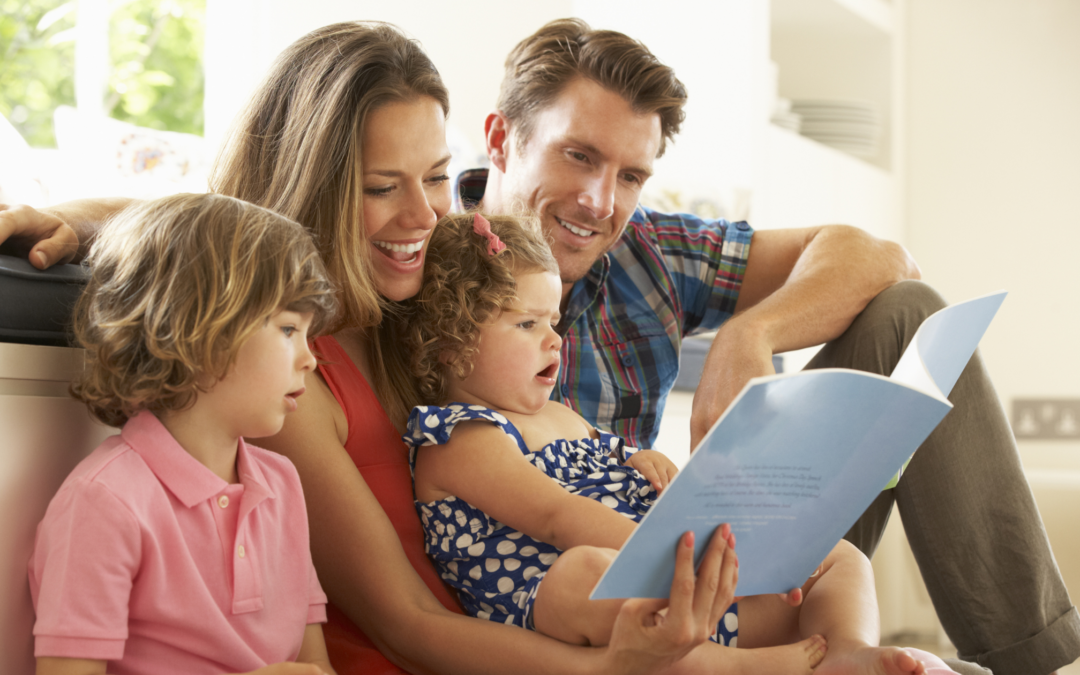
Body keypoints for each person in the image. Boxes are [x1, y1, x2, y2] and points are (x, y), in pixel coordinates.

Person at [1, 22, 737, 675]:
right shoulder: (281, 377)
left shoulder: (420, 308)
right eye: (384, 185)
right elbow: (409, 626)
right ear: (316, 187)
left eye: (439, 178)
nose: (423, 215)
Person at [449, 18, 1080, 675]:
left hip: (718, 569)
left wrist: (752, 332)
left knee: (908, 313)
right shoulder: (429, 273)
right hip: (571, 610)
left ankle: (1031, 663)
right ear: (500, 138)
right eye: (578, 155)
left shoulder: (648, 252)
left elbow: (883, 256)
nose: (600, 201)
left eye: (631, 175)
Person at [401, 210, 972, 675]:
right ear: (451, 344)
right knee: (582, 571)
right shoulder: (458, 436)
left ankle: (845, 649)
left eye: (553, 321)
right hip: (597, 609)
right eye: (526, 325)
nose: (553, 341)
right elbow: (556, 516)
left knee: (838, 555)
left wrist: (646, 463)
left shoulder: (559, 415)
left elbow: (618, 460)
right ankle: (727, 667)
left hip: (685, 587)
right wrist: (686, 560)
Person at [28, 193, 339, 675]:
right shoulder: (104, 502)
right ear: (199, 329)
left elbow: (314, 663)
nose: (310, 358)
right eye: (287, 329)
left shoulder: (283, 484)